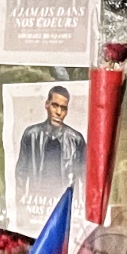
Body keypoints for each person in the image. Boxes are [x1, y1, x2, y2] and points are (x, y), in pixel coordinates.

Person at [14, 84, 86, 218]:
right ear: (47, 105)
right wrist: (20, 207)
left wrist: (81, 210)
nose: (58, 112)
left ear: (67, 111)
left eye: (63, 108)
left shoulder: (76, 140)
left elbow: (84, 178)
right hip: (36, 205)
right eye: (55, 105)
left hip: (64, 205)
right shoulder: (31, 135)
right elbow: (21, 174)